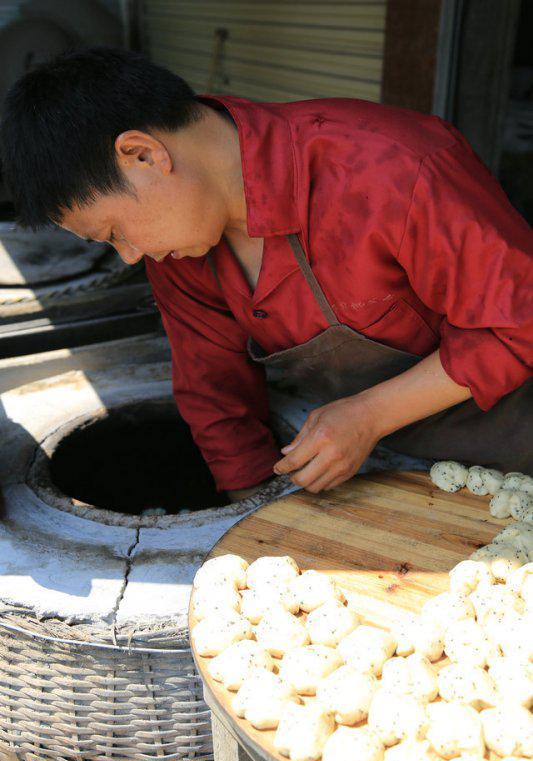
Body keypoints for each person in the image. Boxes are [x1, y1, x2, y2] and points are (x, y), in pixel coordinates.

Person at [1, 47, 531, 503]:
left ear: (142, 154)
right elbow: (215, 394)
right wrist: (253, 522)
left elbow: (516, 325)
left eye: (116, 230)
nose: (130, 256)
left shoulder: (395, 165)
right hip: (386, 469)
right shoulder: (183, 242)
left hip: (514, 444)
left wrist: (368, 415)